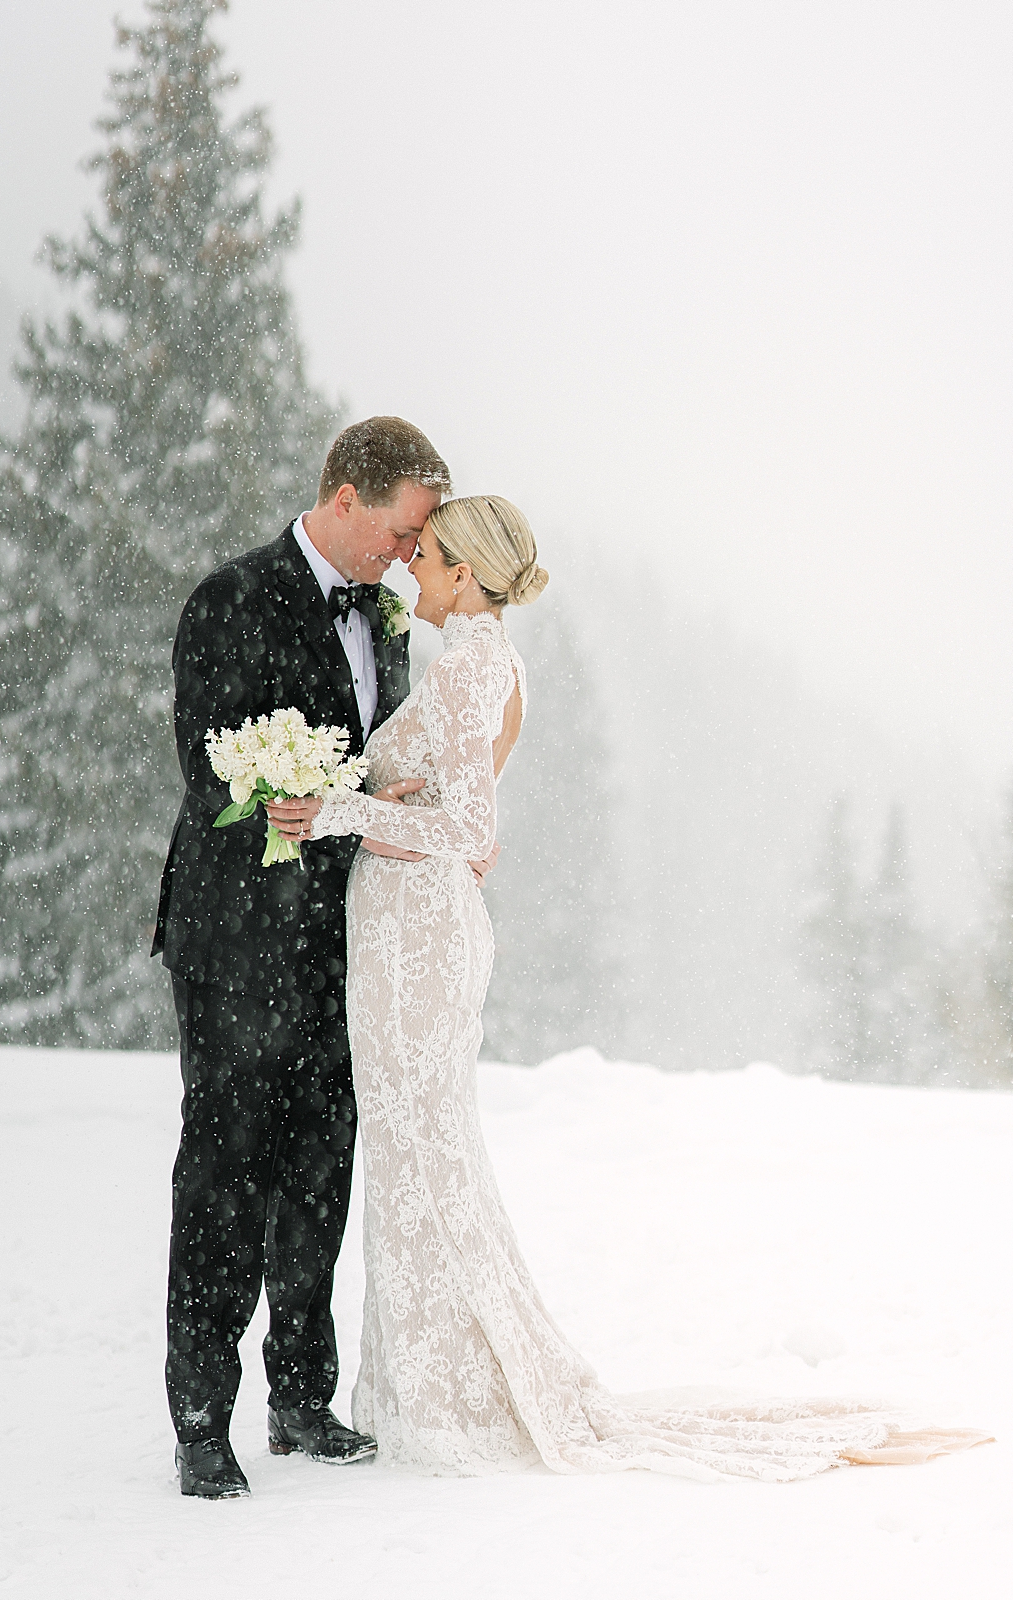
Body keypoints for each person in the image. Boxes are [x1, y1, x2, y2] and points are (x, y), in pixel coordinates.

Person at [269, 495, 991, 1481]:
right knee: (416, 1163)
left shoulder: (477, 663)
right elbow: (443, 798)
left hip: (419, 944)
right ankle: (425, 1387)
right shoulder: (475, 659)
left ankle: (456, 1395)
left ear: (470, 578)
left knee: (427, 1164)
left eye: (428, 557)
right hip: (401, 937)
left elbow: (472, 833)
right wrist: (383, 791)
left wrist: (344, 809)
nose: (411, 571)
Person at [152, 417, 503, 1499]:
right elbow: (212, 770)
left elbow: (379, 758)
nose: (411, 554)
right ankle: (201, 1417)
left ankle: (303, 1398)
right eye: (402, 532)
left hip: (345, 942)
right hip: (238, 940)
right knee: (224, 1173)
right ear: (345, 497)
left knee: (320, 1165)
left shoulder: (389, 617)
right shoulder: (231, 596)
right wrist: (314, 795)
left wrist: (372, 798)